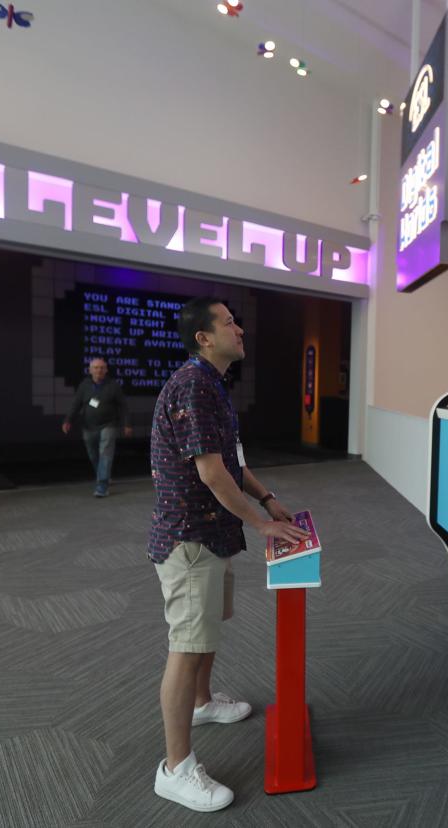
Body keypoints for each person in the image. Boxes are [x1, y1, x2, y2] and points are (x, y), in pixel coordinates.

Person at [148, 297, 309, 813]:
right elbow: (212, 473)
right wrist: (262, 524)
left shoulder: (212, 384)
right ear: (203, 337)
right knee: (188, 644)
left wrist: (265, 497)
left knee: (208, 627)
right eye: (228, 322)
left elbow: (234, 464)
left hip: (213, 535)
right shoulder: (193, 386)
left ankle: (202, 703)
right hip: (189, 539)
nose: (239, 329)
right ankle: (175, 769)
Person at [62, 357, 131, 497]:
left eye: (101, 368)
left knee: (105, 453)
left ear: (106, 370)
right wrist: (68, 420)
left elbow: (123, 406)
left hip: (109, 425)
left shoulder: (113, 385)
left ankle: (102, 486)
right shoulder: (84, 385)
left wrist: (127, 424)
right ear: (90, 370)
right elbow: (76, 404)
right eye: (96, 367)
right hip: (88, 426)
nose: (98, 370)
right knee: (94, 455)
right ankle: (103, 475)